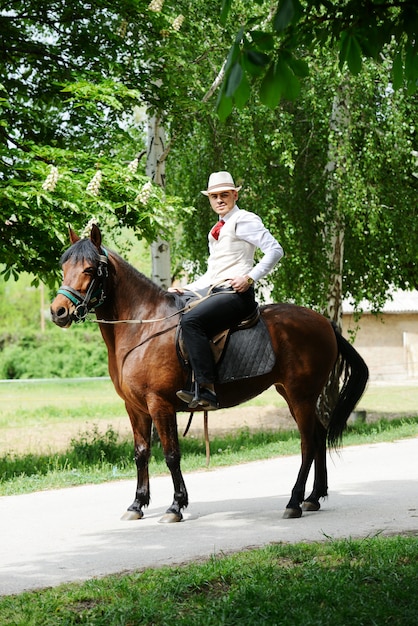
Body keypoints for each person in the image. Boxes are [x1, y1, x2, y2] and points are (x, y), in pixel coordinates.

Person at [169, 171, 283, 410]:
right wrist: (186, 288)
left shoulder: (245, 219)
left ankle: (207, 389)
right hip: (216, 291)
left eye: (224, 195)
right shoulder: (216, 229)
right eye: (214, 196)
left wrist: (250, 278)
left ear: (234, 194)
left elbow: (275, 250)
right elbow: (213, 274)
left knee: (191, 322)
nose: (219, 200)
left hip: (236, 295)